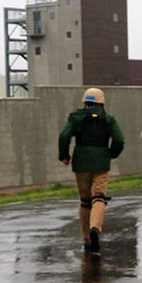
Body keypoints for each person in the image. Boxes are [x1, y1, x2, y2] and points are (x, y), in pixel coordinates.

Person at [57, 87, 125, 254]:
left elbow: (64, 136)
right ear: (102, 102)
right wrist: (111, 154)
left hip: (81, 163)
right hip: (101, 162)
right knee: (98, 198)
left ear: (85, 102)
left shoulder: (76, 118)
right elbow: (120, 139)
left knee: (85, 201)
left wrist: (64, 156)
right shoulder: (109, 119)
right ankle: (95, 227)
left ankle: (86, 238)